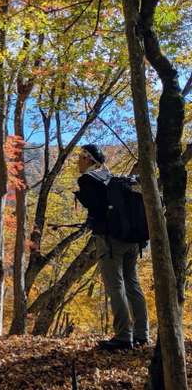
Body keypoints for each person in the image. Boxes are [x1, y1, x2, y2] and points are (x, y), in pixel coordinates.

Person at [74, 144, 149, 351]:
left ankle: (124, 336)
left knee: (115, 286)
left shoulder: (87, 180)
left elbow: (97, 209)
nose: (78, 162)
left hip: (110, 240)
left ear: (88, 159)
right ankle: (142, 334)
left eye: (80, 157)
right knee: (132, 283)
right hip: (132, 239)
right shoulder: (112, 178)